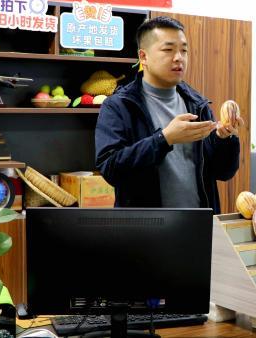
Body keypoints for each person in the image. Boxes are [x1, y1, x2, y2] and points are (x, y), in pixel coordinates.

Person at [95, 16, 242, 212]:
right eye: (168, 50)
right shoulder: (119, 106)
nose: (179, 58)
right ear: (143, 57)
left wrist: (224, 139)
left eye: (184, 50)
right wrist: (164, 139)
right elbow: (111, 169)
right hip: (147, 227)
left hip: (198, 224)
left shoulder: (197, 104)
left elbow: (223, 172)